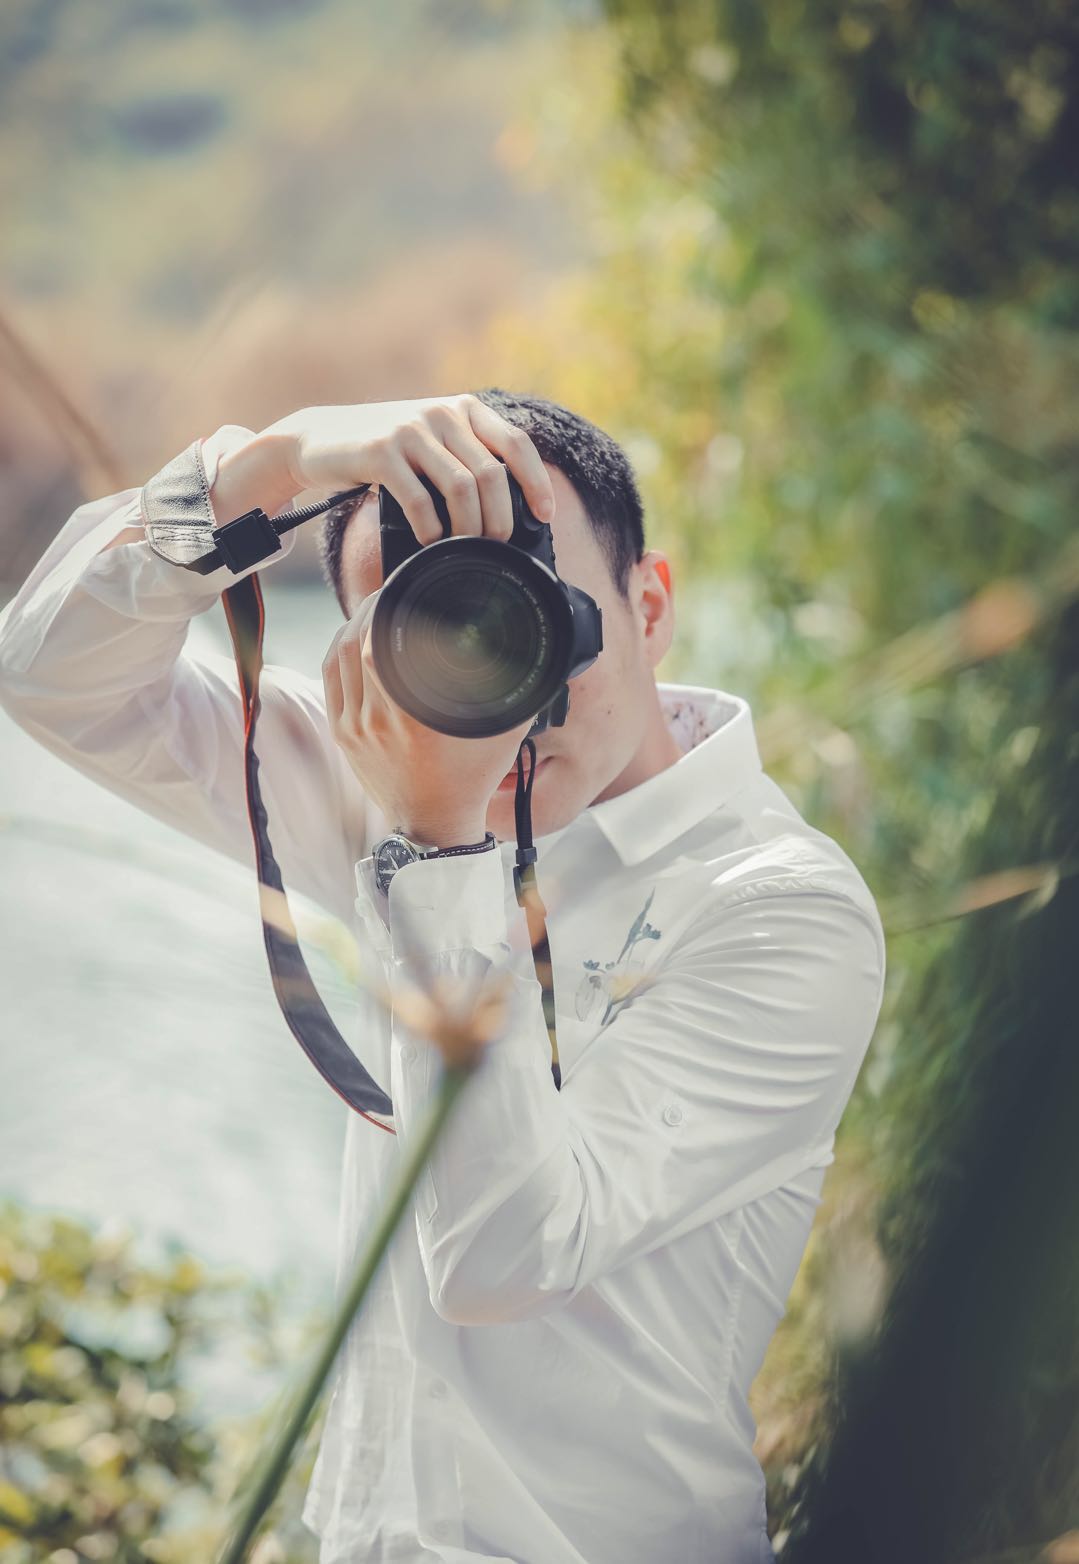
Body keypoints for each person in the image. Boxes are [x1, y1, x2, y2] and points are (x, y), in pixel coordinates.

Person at [0, 387, 887, 1564]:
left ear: (649, 602)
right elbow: (52, 672)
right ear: (371, 665)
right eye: (445, 633)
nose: (507, 690)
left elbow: (499, 1257)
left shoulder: (778, 908)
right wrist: (267, 461)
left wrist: (440, 844)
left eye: (537, 613)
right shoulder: (400, 783)